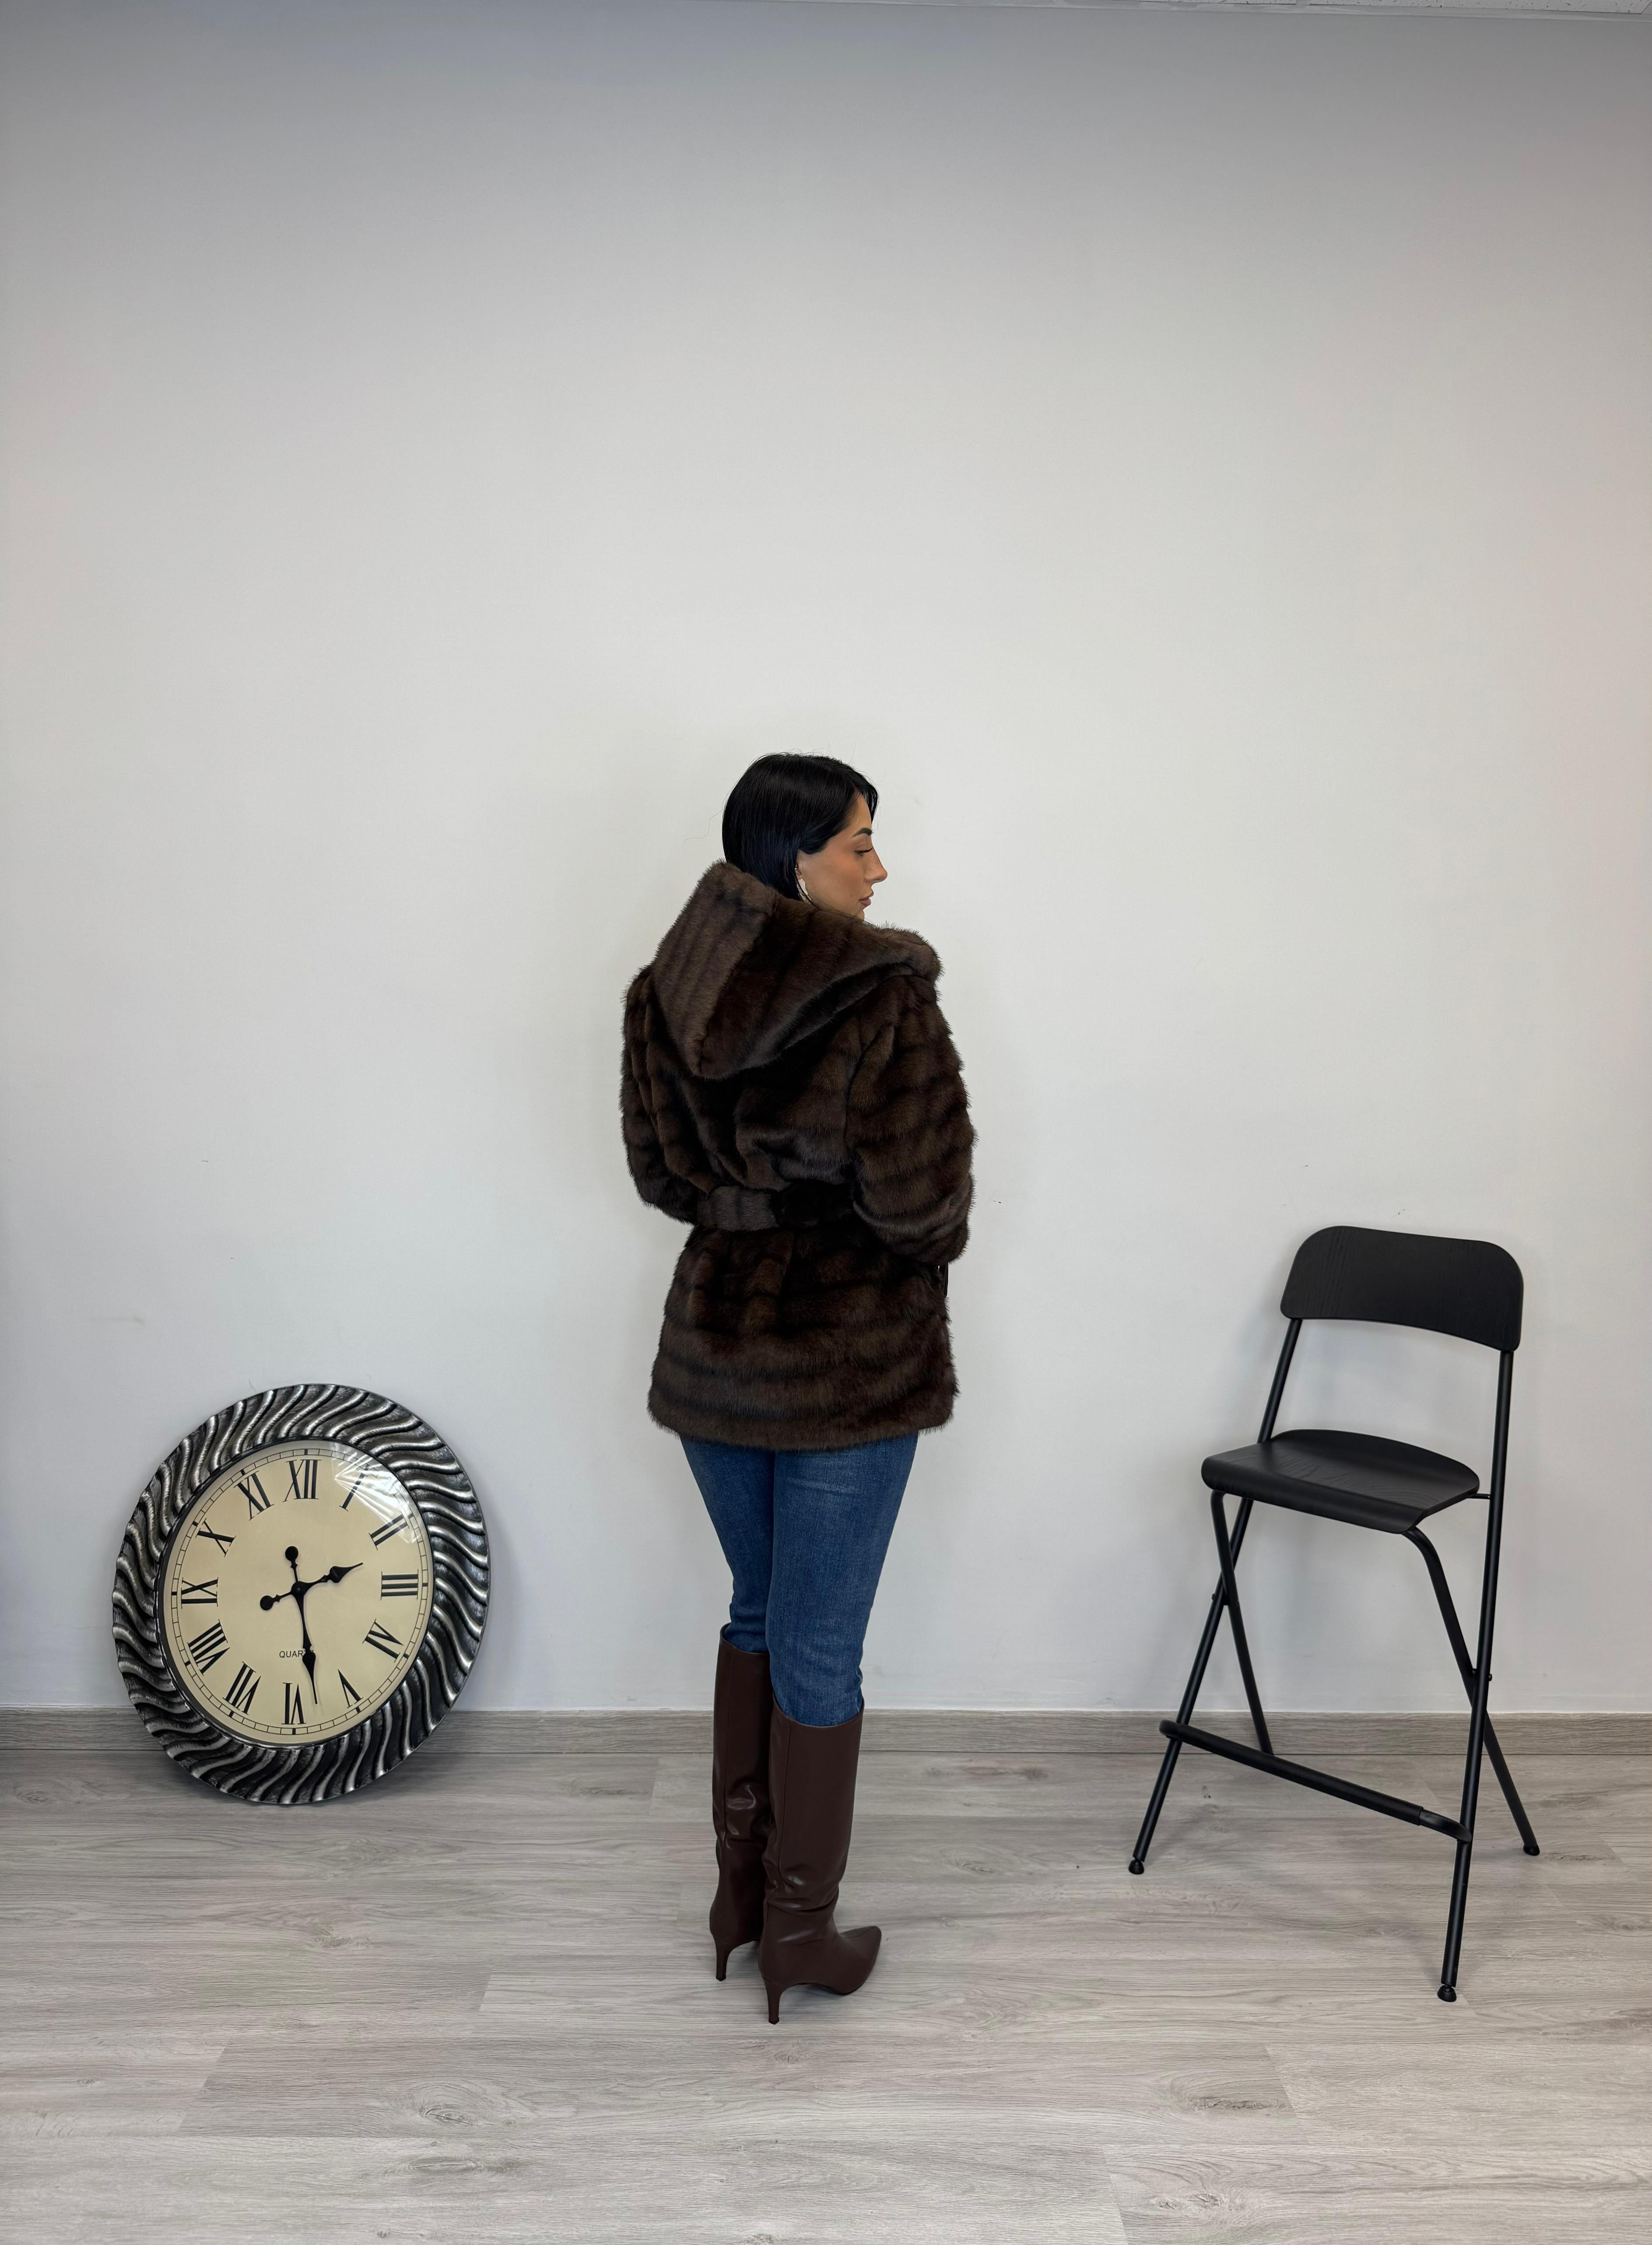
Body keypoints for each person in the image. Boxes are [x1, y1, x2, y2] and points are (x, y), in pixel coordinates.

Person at [620, 753, 974, 2022]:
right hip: (847, 1363)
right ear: (796, 859)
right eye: (860, 844)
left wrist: (751, 1202)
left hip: (717, 1352)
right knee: (819, 1643)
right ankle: (800, 1930)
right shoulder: (883, 997)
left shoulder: (663, 994)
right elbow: (924, 1206)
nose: (880, 869)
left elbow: (662, 1178)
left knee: (760, 1612)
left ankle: (740, 1899)